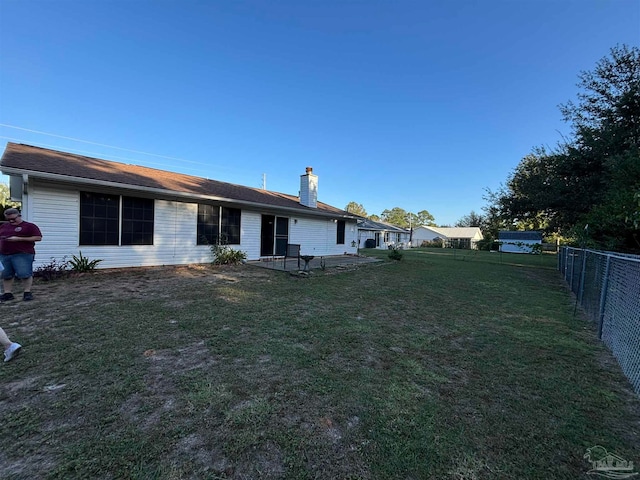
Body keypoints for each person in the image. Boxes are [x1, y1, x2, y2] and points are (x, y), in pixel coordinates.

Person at [0, 208, 42, 301]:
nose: (11, 221)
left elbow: (38, 238)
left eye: (13, 219)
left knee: (24, 273)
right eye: (8, 219)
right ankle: (8, 293)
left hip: (22, 254)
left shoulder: (29, 226)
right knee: (6, 274)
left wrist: (18, 239)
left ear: (19, 216)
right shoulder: (3, 226)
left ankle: (27, 292)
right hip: (4, 254)